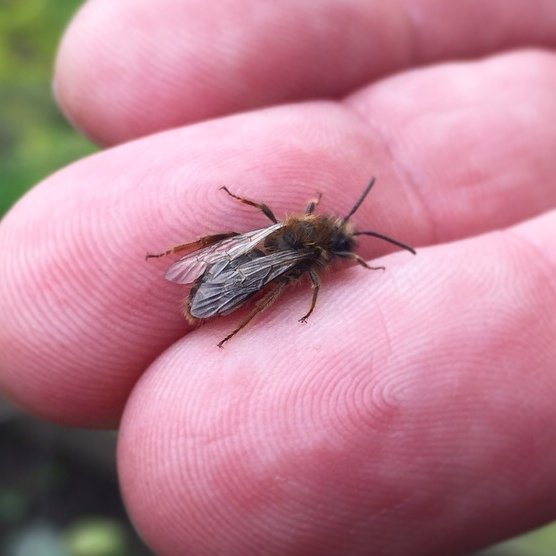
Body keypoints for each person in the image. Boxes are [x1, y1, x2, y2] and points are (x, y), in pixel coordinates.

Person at [1, 1, 555, 554]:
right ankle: (221, 306)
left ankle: (193, 278)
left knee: (234, 258)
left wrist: (344, 260)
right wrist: (332, 283)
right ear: (326, 246)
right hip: (246, 265)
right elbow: (313, 281)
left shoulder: (298, 224)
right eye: (345, 248)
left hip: (240, 259)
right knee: (266, 285)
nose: (345, 246)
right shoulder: (308, 262)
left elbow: (288, 233)